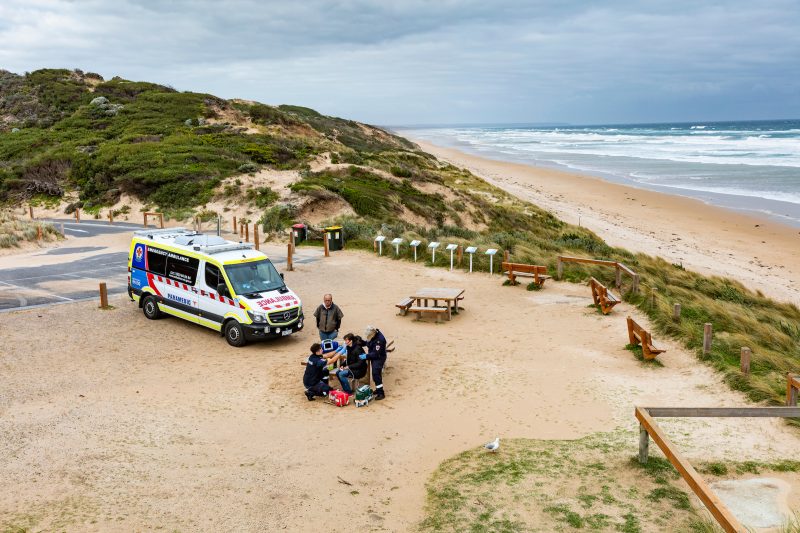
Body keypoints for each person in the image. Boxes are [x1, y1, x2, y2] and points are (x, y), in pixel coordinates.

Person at [363, 325, 387, 400]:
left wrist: (366, 356)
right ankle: (378, 389)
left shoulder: (380, 340)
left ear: (372, 334)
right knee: (375, 374)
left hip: (379, 358)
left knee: (376, 374)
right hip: (374, 357)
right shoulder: (373, 336)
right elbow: (369, 343)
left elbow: (376, 353)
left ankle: (381, 393)